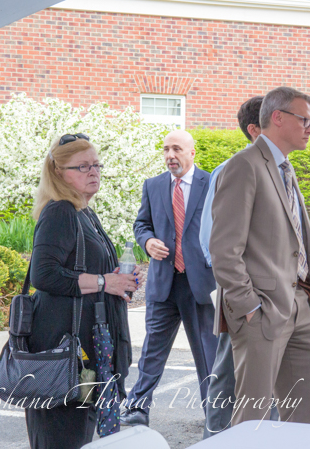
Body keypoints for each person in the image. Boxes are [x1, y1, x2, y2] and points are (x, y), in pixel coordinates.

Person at [210, 86, 310, 425]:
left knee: (304, 417)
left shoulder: (284, 167)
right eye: (305, 120)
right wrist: (249, 306)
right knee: (253, 419)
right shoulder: (244, 166)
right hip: (261, 311)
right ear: (278, 117)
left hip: (299, 304)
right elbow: (224, 249)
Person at [27, 133, 142, 449]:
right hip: (65, 354)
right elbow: (43, 274)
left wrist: (117, 281)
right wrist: (105, 282)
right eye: (82, 167)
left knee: (79, 437)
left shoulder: (84, 211)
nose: (93, 172)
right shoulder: (60, 211)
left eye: (96, 165)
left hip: (85, 351)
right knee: (63, 436)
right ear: (58, 172)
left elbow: (85, 272)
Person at [121, 130, 218, 427]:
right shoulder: (153, 185)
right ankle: (137, 408)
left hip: (200, 284)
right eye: (165, 149)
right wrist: (147, 241)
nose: (170, 155)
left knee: (208, 353)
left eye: (176, 149)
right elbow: (142, 224)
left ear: (192, 152)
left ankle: (215, 412)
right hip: (164, 282)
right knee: (152, 350)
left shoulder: (211, 183)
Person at [201, 96, 279, 438]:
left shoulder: (279, 169)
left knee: (270, 377)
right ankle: (215, 439)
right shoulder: (232, 169)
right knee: (229, 373)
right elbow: (212, 241)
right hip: (246, 294)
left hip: (275, 295)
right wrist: (243, 297)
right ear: (255, 129)